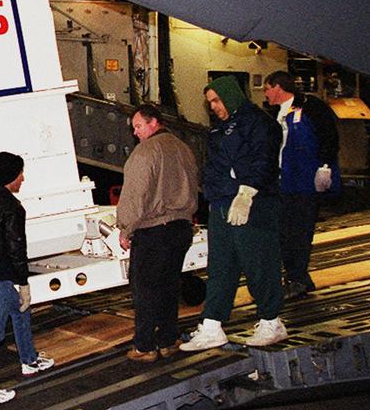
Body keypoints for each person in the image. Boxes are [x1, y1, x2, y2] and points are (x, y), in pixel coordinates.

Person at [182, 77, 287, 351]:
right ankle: (212, 324)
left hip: (252, 204)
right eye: (210, 103)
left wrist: (247, 192)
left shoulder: (259, 122)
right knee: (221, 267)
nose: (214, 107)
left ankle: (271, 321)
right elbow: (214, 166)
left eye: (217, 100)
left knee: (259, 262)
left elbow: (263, 159)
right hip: (221, 204)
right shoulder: (221, 129)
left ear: (230, 95)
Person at [0, 152, 54, 407]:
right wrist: (24, 282)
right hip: (0, 275)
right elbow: (17, 248)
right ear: (10, 177)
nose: (23, 178)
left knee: (20, 311)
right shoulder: (13, 208)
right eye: (20, 174)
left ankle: (29, 360)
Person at [116, 104, 200, 361]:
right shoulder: (184, 148)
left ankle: (144, 346)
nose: (136, 133)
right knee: (169, 285)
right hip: (181, 227)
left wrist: (125, 228)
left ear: (154, 123)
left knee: (145, 288)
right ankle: (167, 339)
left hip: (154, 231)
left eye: (139, 126)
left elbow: (135, 195)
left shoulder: (145, 152)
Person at [263, 71, 340, 297]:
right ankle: (296, 276)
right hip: (283, 181)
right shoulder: (275, 114)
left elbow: (329, 136)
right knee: (284, 232)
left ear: (277, 87)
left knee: (299, 232)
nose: (265, 94)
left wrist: (325, 166)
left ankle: (297, 278)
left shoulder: (312, 106)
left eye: (267, 88)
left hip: (306, 181)